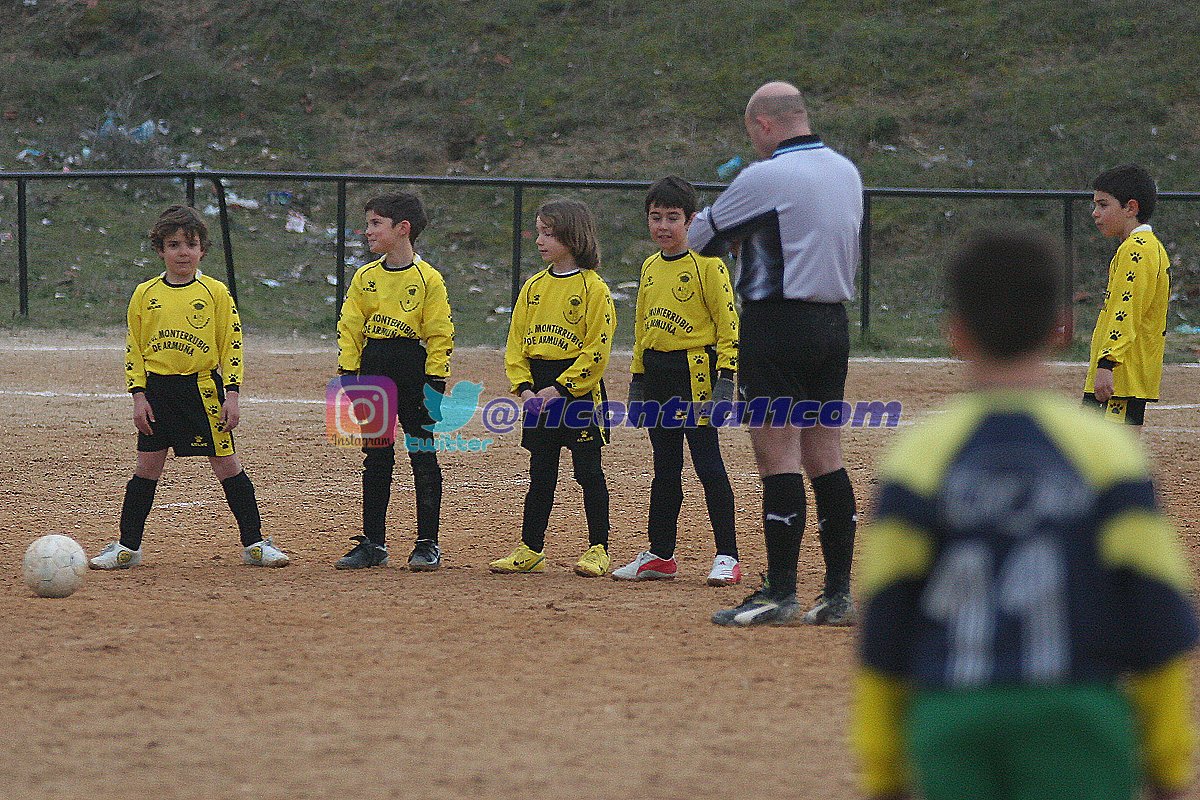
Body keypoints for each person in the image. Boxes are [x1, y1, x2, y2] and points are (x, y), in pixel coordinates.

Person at [852, 231, 1198, 800]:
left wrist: (885, 770)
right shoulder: (1108, 452)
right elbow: (1155, 610)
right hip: (1079, 718)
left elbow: (887, 619)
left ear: (955, 334)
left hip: (953, 721)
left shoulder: (917, 457)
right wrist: (1166, 763)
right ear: (1062, 329)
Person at [688, 81, 863, 626]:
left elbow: (698, 236)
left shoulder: (765, 176)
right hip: (833, 325)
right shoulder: (846, 170)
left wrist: (744, 235)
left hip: (776, 325)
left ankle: (779, 591)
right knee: (825, 456)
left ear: (763, 124)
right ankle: (837, 594)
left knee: (777, 457)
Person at [90, 205, 289, 569]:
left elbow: (231, 345)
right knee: (146, 469)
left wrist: (232, 394)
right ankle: (127, 548)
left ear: (202, 250)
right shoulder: (144, 293)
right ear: (160, 249)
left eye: (191, 244)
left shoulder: (215, 293)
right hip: (157, 392)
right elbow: (134, 348)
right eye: (174, 244)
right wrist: (138, 396)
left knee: (228, 467)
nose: (183, 251)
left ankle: (255, 544)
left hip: (202, 390)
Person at [613, 176, 742, 585]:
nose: (663, 226)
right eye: (656, 217)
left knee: (708, 464)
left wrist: (726, 379)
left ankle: (727, 556)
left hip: (695, 374)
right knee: (664, 468)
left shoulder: (708, 264)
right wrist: (637, 380)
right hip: (658, 375)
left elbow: (728, 324)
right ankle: (660, 555)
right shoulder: (650, 266)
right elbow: (640, 328)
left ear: (690, 220)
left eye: (673, 217)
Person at [490, 198, 616, 578]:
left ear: (572, 237)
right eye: (539, 232)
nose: (540, 240)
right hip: (538, 391)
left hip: (576, 393)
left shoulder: (594, 288)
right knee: (540, 473)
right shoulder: (534, 286)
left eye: (549, 233)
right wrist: (525, 388)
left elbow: (598, 348)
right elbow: (516, 342)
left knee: (588, 472)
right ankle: (530, 548)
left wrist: (561, 389)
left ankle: (598, 548)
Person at [334, 192, 453, 571]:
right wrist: (349, 373)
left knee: (422, 452)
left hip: (412, 370)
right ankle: (374, 543)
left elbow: (439, 333)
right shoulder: (365, 277)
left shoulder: (428, 278)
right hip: (373, 368)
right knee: (377, 456)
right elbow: (350, 326)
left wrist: (435, 378)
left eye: (375, 223)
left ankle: (427, 543)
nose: (367, 231)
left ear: (403, 229)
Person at [1083, 164, 1170, 427]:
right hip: (1126, 374)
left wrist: (1107, 363)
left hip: (1121, 377)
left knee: (1103, 462)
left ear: (1130, 208)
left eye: (1103, 205)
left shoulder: (1137, 250)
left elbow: (1126, 311)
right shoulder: (1144, 247)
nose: (1095, 214)